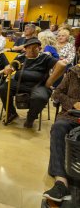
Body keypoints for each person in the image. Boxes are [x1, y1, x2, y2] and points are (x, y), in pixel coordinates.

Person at [0, 37, 66, 128]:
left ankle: (30, 118)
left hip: (39, 85)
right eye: (29, 47)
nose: (32, 50)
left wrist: (49, 82)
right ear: (25, 49)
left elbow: (62, 65)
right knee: (3, 89)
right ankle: (11, 113)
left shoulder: (45, 57)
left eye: (35, 47)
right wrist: (9, 69)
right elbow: (11, 66)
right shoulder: (20, 57)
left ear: (39, 48)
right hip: (20, 83)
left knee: (40, 97)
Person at [43, 63, 80, 203]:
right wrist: (74, 103)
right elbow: (57, 93)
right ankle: (61, 182)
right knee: (58, 127)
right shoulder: (73, 73)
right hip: (70, 115)